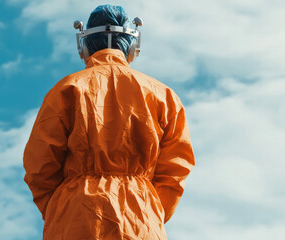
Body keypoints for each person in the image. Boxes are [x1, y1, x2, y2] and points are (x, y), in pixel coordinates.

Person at [23, 4, 195, 239]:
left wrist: (62, 207)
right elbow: (176, 170)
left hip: (75, 217)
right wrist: (148, 210)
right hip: (141, 220)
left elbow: (39, 168)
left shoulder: (66, 90)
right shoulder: (163, 95)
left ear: (83, 46)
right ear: (133, 46)